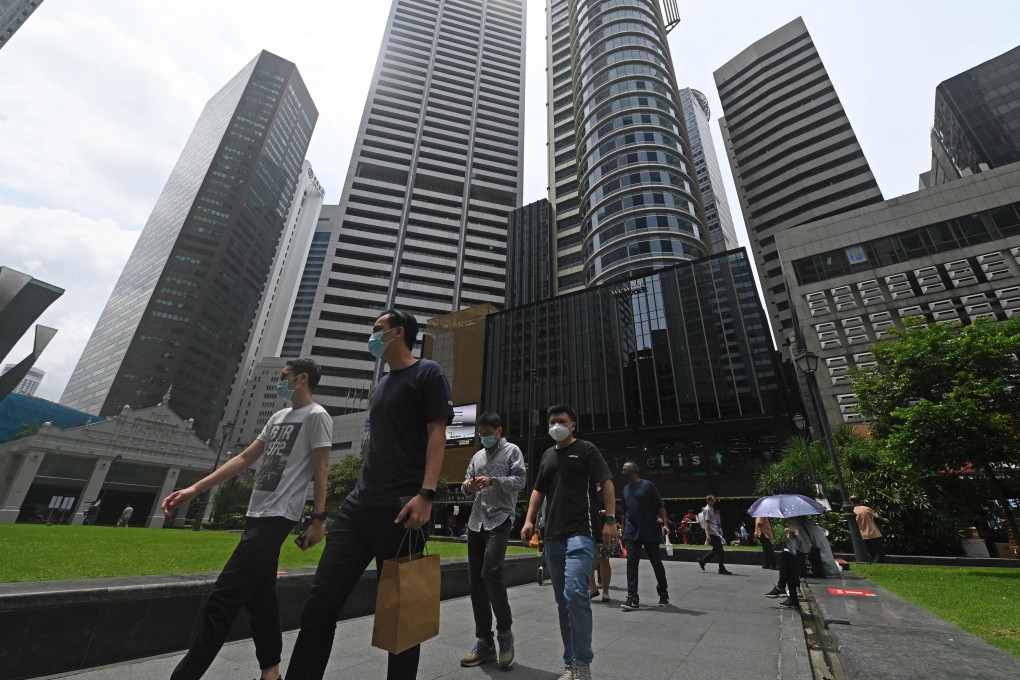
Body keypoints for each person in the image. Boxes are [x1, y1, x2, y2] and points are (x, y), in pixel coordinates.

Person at [285, 309, 453, 680]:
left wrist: (426, 493)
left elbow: (436, 434)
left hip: (402, 508)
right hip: (358, 507)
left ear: (398, 333)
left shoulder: (428, 373)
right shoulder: (381, 385)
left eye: (377, 329)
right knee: (318, 606)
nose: (371, 335)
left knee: (401, 614)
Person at [162, 358, 332, 680]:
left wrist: (318, 518)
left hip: (279, 515)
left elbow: (322, 468)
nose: (280, 382)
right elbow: (244, 457)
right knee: (261, 598)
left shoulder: (317, 416)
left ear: (302, 378)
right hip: (257, 512)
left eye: (285, 377)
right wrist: (195, 488)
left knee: (222, 599)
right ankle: (272, 674)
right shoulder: (279, 416)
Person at [521, 404, 615, 680]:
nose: (555, 426)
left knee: (575, 595)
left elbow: (606, 481)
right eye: (551, 422)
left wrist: (610, 520)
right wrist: (529, 520)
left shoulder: (586, 449)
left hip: (580, 533)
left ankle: (583, 662)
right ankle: (570, 663)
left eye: (561, 421)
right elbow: (538, 490)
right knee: (563, 602)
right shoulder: (548, 455)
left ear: (573, 425)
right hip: (552, 537)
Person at [458, 411, 526, 670]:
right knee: (476, 581)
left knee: (491, 572)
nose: (483, 436)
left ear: (499, 431)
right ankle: (484, 642)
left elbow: (520, 481)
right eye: (481, 432)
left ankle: (505, 635)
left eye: (487, 432)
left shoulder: (512, 451)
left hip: (500, 519)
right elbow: (464, 484)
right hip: (476, 522)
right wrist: (469, 486)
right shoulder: (476, 456)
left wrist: (495, 481)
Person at [618, 461, 670, 611]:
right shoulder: (625, 489)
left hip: (649, 530)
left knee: (656, 563)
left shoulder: (648, 485)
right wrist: (622, 528)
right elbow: (624, 511)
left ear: (634, 470)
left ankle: (663, 592)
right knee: (631, 564)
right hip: (631, 532)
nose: (623, 472)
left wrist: (665, 524)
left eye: (625, 469)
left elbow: (661, 505)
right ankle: (632, 597)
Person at [765, 516, 809, 609]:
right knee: (785, 557)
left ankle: (782, 588)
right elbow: (796, 550)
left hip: (812, 564)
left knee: (786, 559)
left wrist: (793, 538)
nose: (788, 523)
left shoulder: (802, 529)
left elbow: (805, 549)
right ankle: (785, 591)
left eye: (789, 521)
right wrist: (792, 537)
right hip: (808, 562)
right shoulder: (803, 528)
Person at [589, 483, 620, 602]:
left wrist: (602, 512)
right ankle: (592, 587)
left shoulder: (605, 490)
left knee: (604, 560)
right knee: (587, 560)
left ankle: (605, 591)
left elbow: (612, 508)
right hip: (588, 528)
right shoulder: (586, 489)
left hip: (602, 528)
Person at [697, 495, 732, 574]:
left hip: (714, 532)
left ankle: (703, 560)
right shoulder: (707, 509)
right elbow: (707, 523)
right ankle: (721, 568)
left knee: (716, 549)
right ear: (709, 501)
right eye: (713, 500)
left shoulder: (710, 509)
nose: (714, 501)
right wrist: (708, 535)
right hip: (712, 533)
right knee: (720, 551)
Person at [851, 495, 889, 563]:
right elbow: (876, 515)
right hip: (873, 532)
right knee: (879, 550)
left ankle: (872, 561)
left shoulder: (852, 511)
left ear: (852, 502)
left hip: (862, 534)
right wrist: (884, 519)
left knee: (870, 550)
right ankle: (878, 562)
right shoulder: (866, 508)